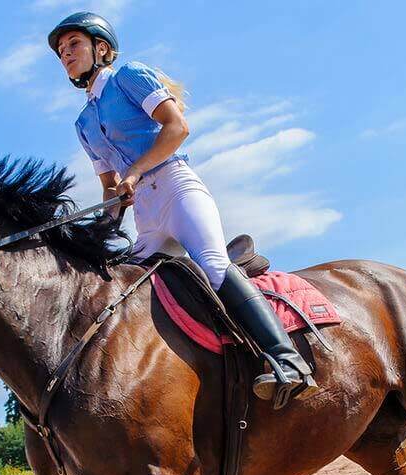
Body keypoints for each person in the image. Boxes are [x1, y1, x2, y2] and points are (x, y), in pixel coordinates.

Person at [51, 12, 317, 404]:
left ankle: (287, 360)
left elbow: (177, 127)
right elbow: (110, 188)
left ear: (101, 48)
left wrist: (136, 172)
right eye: (60, 51)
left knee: (211, 265)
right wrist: (99, 229)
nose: (66, 54)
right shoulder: (83, 122)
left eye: (73, 44)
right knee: (125, 290)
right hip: (146, 214)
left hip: (177, 188)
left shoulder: (129, 77)